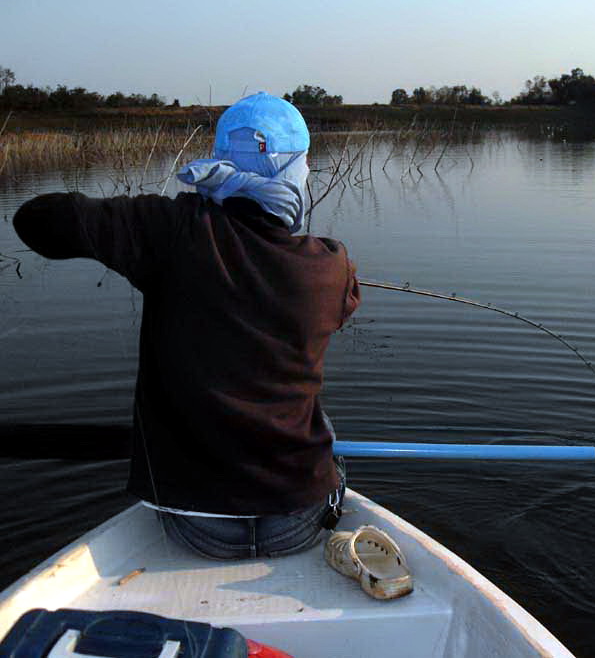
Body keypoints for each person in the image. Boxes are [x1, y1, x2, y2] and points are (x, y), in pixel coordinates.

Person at [13, 92, 360, 559]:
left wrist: (149, 218)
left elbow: (34, 221)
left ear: (217, 165)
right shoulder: (333, 266)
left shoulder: (170, 230)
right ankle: (332, 489)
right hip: (296, 522)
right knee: (323, 424)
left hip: (198, 527)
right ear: (296, 170)